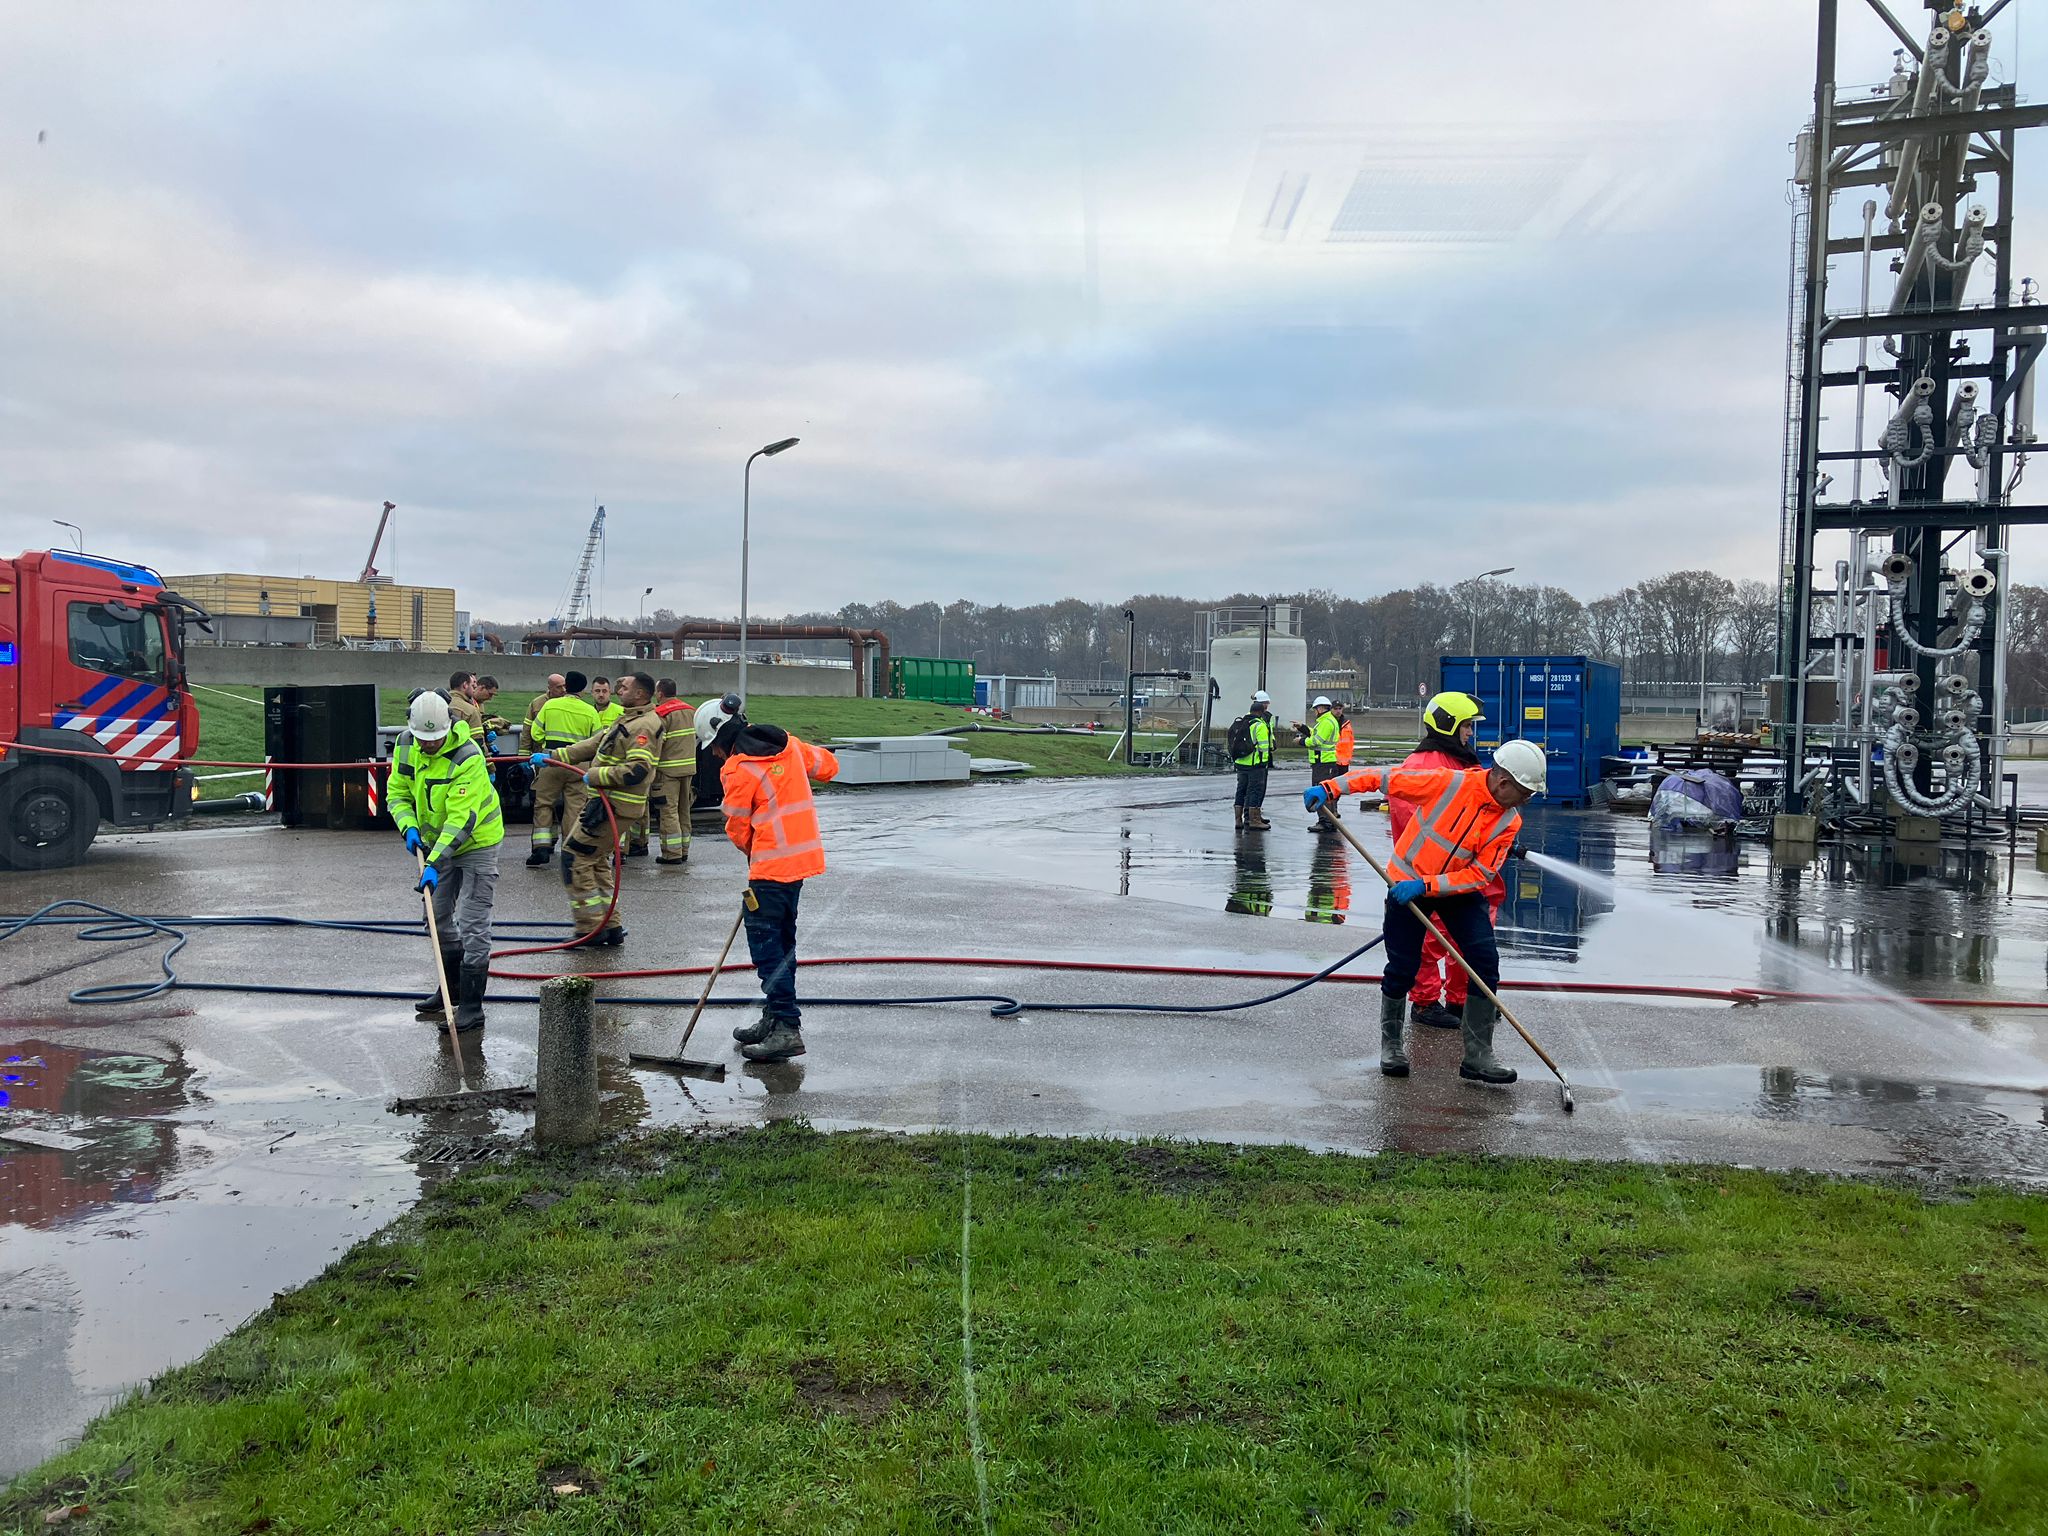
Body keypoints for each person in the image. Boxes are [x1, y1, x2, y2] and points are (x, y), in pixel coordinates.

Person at [1304, 738, 1547, 1086]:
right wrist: (1331, 787)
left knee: (1484, 961)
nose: (1526, 800)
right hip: (1407, 882)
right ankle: (1392, 1048)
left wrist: (1428, 886)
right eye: (1525, 792)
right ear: (1503, 782)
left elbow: (1480, 874)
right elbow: (1383, 779)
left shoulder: (1509, 822)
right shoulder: (1449, 783)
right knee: (1404, 967)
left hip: (1456, 891)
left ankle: (1478, 1056)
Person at [709, 703, 841, 1063]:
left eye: (714, 747)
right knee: (782, 944)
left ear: (722, 738)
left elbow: (737, 827)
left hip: (769, 870)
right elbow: (829, 767)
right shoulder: (789, 745)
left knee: (768, 951)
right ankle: (774, 1016)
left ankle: (786, 1027)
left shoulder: (739, 768)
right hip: (799, 865)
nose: (716, 754)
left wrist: (753, 851)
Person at [389, 691, 504, 1032]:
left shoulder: (467, 756)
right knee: (436, 918)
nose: (429, 746)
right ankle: (449, 988)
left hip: (476, 841)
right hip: (434, 843)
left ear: (448, 727)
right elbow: (398, 792)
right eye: (424, 739)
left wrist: (433, 864)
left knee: (472, 920)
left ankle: (471, 1006)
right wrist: (408, 827)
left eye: (435, 739)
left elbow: (461, 820)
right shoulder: (406, 743)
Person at [1397, 692, 1507, 1031]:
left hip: (1462, 873)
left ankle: (1461, 1001)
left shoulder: (1459, 761)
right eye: (1467, 726)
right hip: (1433, 874)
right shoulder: (1424, 768)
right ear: (1448, 725)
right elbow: (1412, 821)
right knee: (1432, 941)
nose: (1471, 733)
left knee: (1467, 939)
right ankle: (1426, 1002)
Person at [550, 672, 663, 944]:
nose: (617, 688)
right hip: (606, 804)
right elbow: (595, 744)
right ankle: (609, 925)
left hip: (615, 805)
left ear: (639, 694)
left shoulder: (643, 726)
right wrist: (553, 757)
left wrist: (596, 776)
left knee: (574, 858)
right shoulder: (629, 718)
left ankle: (588, 927)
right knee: (595, 860)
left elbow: (637, 769)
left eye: (624, 686)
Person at [524, 670, 599, 867]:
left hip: (551, 760)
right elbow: (597, 740)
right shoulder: (590, 711)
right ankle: (570, 850)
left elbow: (535, 733)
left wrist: (546, 745)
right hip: (578, 764)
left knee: (543, 803)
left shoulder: (550, 705)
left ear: (566, 687)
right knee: (575, 807)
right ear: (582, 690)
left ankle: (541, 848)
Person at [646, 678, 696, 864]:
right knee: (684, 810)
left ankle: (671, 853)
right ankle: (683, 850)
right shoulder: (691, 710)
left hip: (668, 771)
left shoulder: (662, 714)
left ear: (660, 693)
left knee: (668, 811)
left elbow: (657, 743)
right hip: (689, 768)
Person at [1232, 690, 1278, 831]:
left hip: (1241, 763)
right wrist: (1264, 761)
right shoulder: (1260, 724)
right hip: (1255, 764)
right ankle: (1254, 820)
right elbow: (1264, 747)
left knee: (1241, 790)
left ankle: (1239, 820)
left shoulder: (1243, 721)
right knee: (1255, 791)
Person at [1297, 696, 1343, 828]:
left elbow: (1316, 741)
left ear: (1320, 708)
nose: (1314, 711)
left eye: (1315, 709)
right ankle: (1329, 820)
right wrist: (1303, 728)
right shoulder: (1327, 721)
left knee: (1322, 791)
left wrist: (1300, 741)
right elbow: (1315, 734)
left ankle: (1325, 821)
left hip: (1323, 763)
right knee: (1327, 791)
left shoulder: (1326, 722)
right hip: (1325, 762)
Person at [522, 673, 566, 751]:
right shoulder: (537, 704)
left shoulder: (570, 703)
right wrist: (524, 753)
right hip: (541, 751)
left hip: (565, 751)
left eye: (565, 686)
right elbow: (527, 729)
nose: (563, 690)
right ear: (550, 688)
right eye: (559, 687)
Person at [446, 671, 484, 736]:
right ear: (465, 685)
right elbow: (477, 741)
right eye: (472, 685)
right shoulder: (471, 711)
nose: (475, 686)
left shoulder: (439, 704)